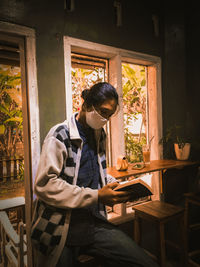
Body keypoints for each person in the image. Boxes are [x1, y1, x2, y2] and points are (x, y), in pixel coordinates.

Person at [31, 82, 158, 267]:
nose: (106, 119)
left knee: (145, 263)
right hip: (60, 226)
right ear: (86, 105)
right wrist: (97, 195)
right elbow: (45, 184)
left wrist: (115, 186)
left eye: (110, 115)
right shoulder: (60, 135)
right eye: (103, 112)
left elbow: (98, 174)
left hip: (92, 223)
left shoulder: (99, 135)